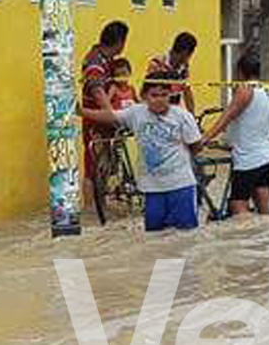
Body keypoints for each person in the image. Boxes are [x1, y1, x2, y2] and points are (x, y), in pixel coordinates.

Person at [82, 81, 203, 231]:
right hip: (152, 189)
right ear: (144, 96)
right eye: (154, 95)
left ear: (170, 96)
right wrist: (81, 112)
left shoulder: (182, 116)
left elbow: (196, 145)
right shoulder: (136, 113)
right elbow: (111, 116)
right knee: (153, 236)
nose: (159, 100)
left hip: (181, 186)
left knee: (185, 234)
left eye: (164, 95)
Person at [202, 50, 269, 216]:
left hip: (249, 158)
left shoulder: (245, 89)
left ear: (240, 72)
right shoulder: (267, 90)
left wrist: (204, 139)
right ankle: (268, 236)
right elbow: (253, 122)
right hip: (268, 154)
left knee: (238, 203)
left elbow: (226, 119)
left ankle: (245, 238)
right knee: (262, 195)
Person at [82, 20, 129, 195]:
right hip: (95, 120)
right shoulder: (95, 61)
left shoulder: (108, 60)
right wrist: (113, 115)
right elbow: (97, 91)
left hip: (106, 120)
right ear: (120, 42)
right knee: (92, 166)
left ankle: (102, 202)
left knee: (106, 165)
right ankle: (91, 210)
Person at [147, 31, 198, 113]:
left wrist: (192, 116)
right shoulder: (157, 64)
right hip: (157, 112)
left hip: (173, 112)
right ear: (184, 52)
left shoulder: (183, 67)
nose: (189, 58)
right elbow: (148, 92)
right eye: (189, 55)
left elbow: (187, 92)